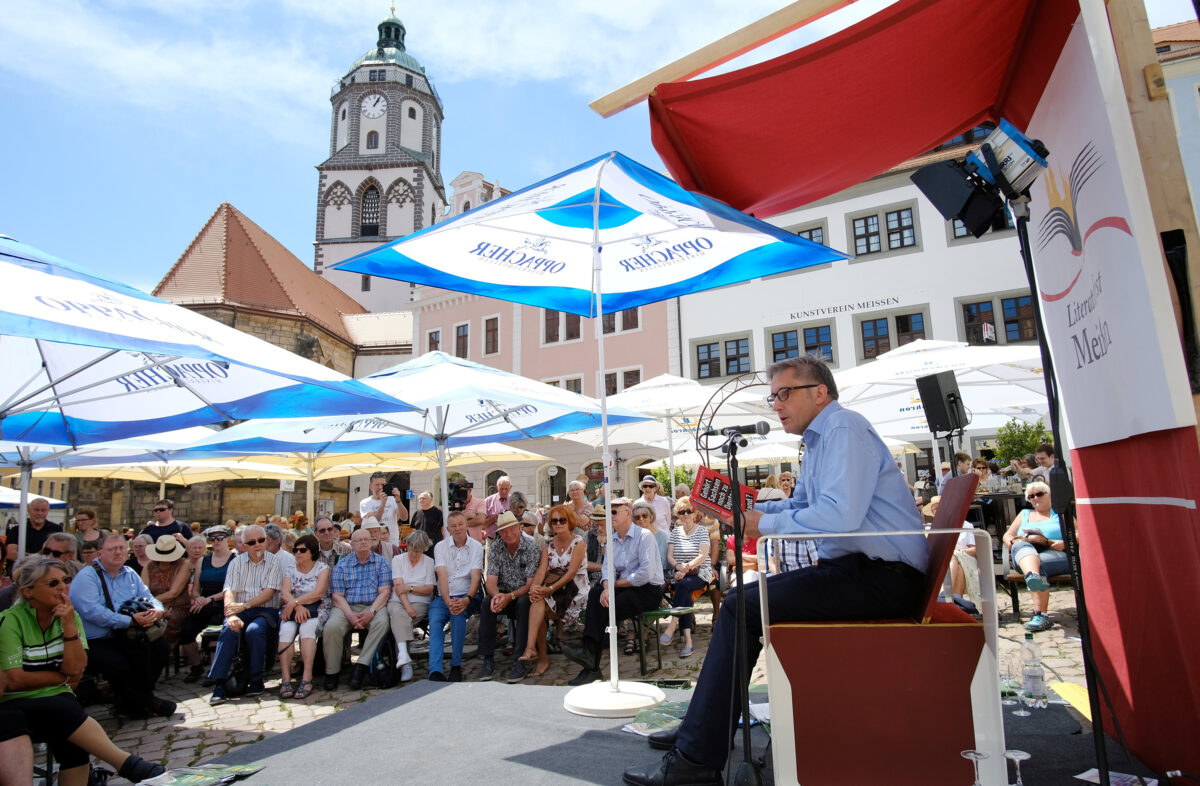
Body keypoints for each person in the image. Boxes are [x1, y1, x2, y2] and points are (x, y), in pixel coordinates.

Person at [623, 355, 928, 786]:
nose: (777, 404)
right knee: (738, 603)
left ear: (819, 392)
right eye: (773, 397)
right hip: (861, 572)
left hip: (881, 577)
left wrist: (760, 521)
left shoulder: (842, 427)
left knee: (738, 605)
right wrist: (750, 509)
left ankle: (697, 757)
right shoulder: (821, 439)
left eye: (785, 393)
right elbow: (803, 506)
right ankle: (702, 732)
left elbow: (840, 515)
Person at [0, 557, 166, 784]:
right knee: (62, 708)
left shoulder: (70, 616)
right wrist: (61, 679)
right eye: (53, 583)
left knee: (72, 740)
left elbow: (76, 671)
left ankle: (128, 764)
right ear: (28, 592)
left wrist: (68, 627)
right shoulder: (10, 621)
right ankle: (127, 763)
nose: (63, 588)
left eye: (65, 580)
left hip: (55, 701)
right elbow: (15, 680)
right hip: (15, 703)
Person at [563, 497, 665, 686]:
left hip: (648, 591)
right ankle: (590, 659)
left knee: (604, 607)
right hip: (624, 587)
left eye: (614, 512)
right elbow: (607, 568)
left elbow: (645, 574)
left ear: (628, 513)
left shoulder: (645, 536)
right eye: (609, 512)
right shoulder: (613, 539)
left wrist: (612, 587)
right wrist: (607, 587)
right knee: (596, 595)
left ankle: (590, 663)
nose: (611, 516)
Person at [68, 534, 172, 718]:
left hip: (126, 634)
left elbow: (148, 596)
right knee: (117, 663)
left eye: (121, 548)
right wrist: (130, 621)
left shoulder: (130, 574)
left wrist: (157, 611)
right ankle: (146, 702)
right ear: (99, 554)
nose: (118, 552)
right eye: (112, 549)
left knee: (160, 648)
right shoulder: (87, 576)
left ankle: (132, 702)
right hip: (96, 638)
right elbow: (91, 611)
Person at [207, 524, 281, 705]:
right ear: (244, 545)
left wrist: (244, 605)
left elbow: (268, 593)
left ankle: (256, 678)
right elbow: (229, 590)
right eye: (252, 542)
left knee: (254, 631)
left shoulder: (274, 562)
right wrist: (231, 613)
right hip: (239, 609)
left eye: (261, 540)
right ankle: (219, 683)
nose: (258, 545)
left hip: (264, 610)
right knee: (228, 630)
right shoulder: (236, 563)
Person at [519, 504, 587, 677]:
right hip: (555, 589)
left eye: (562, 520)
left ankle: (536, 653)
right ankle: (534, 651)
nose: (558, 524)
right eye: (554, 520)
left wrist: (548, 589)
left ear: (569, 521)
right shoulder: (548, 545)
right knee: (536, 599)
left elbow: (572, 572)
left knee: (539, 602)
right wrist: (535, 588)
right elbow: (542, 569)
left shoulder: (578, 542)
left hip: (574, 589)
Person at [323, 528, 392, 691]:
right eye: (359, 540)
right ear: (351, 544)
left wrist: (371, 612)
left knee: (382, 622)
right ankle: (331, 672)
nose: (363, 542)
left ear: (371, 542)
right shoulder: (343, 564)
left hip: (373, 605)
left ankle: (361, 667)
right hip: (346, 606)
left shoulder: (381, 562)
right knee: (331, 628)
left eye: (366, 540)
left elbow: (385, 593)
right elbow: (337, 596)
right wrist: (350, 616)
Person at [478, 511, 539, 684]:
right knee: (487, 603)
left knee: (523, 603)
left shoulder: (531, 546)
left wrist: (510, 596)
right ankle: (488, 659)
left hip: (522, 594)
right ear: (499, 532)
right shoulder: (496, 547)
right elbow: (490, 580)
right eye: (504, 531)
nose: (508, 534)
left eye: (512, 529)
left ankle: (519, 660)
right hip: (503, 592)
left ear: (520, 527)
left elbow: (529, 584)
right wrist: (497, 596)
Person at [427, 511, 483, 682]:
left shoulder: (476, 546)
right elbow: (442, 576)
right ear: (447, 529)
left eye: (460, 524)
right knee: (435, 621)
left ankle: (456, 666)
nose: (457, 528)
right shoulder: (440, 547)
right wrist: (447, 601)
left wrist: (466, 599)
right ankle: (435, 670)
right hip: (445, 595)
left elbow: (476, 577)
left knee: (458, 617)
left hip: (468, 595)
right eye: (453, 526)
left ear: (466, 525)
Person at [1003, 481, 1066, 632]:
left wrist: (1064, 542)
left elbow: (1080, 533)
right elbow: (1008, 534)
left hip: (1054, 552)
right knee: (1020, 544)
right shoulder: (1024, 514)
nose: (1035, 498)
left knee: (1039, 564)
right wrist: (1010, 541)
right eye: (1031, 496)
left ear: (1049, 495)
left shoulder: (1059, 514)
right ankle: (1033, 575)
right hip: (1025, 555)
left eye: (1039, 494)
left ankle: (1040, 614)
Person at [659, 498, 714, 658]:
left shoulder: (702, 531)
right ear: (677, 514)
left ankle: (672, 625)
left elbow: (703, 556)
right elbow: (670, 556)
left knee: (682, 587)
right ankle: (688, 643)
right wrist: (678, 567)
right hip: (680, 573)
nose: (685, 514)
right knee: (684, 595)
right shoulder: (675, 532)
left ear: (694, 513)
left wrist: (686, 568)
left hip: (700, 572)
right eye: (681, 512)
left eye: (688, 511)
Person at [277, 534, 330, 701]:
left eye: (302, 550)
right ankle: (285, 678)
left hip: (316, 608)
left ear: (312, 551)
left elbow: (318, 593)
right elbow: (285, 592)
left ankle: (307, 677)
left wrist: (295, 602)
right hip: (294, 610)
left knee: (307, 630)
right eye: (295, 550)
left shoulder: (322, 568)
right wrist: (296, 605)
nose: (297, 553)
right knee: (286, 631)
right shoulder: (290, 568)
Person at [179, 526, 234, 682]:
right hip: (204, 602)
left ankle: (215, 669)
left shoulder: (234, 560)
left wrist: (209, 599)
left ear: (228, 539)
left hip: (224, 601)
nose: (216, 541)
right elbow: (196, 588)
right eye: (213, 538)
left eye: (220, 538)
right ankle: (196, 666)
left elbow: (233, 588)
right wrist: (199, 598)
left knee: (215, 629)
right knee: (186, 631)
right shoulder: (204, 560)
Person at [387, 529, 435, 684]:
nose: (414, 554)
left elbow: (429, 589)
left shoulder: (428, 562)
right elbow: (399, 587)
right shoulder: (398, 560)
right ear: (407, 546)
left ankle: (404, 660)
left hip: (420, 602)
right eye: (412, 550)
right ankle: (404, 657)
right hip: (398, 601)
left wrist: (411, 589)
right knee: (400, 615)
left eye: (418, 551)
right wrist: (408, 607)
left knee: (399, 620)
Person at [142, 535, 191, 653]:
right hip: (152, 605)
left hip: (177, 606)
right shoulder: (149, 566)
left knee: (165, 621)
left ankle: (162, 653)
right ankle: (146, 655)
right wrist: (154, 606)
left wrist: (156, 604)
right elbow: (144, 591)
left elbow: (173, 593)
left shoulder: (184, 564)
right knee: (142, 622)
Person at [359, 472, 409, 550]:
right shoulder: (365, 503)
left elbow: (404, 518)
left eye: (383, 484)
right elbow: (375, 520)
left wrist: (398, 500)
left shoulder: (392, 500)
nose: (380, 487)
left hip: (392, 543)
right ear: (371, 486)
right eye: (377, 484)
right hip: (374, 544)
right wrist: (383, 504)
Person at [631, 500, 669, 580]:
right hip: (638, 574)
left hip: (659, 575)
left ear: (651, 517)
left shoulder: (663, 536)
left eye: (644, 516)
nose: (641, 519)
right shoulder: (634, 536)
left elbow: (663, 563)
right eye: (637, 517)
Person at [584, 503, 607, 585]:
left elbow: (614, 563)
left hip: (609, 579)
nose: (599, 528)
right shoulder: (589, 535)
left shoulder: (616, 535)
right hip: (590, 578)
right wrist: (603, 567)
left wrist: (603, 544)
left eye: (602, 525)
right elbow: (582, 563)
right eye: (596, 525)